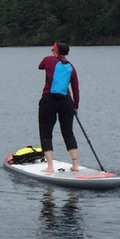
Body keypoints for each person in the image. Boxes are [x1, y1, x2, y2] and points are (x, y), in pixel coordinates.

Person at [37, 41, 80, 173]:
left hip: (49, 99)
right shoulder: (71, 67)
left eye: (53, 49)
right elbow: (76, 89)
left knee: (46, 132)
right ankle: (75, 165)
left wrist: (52, 57)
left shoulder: (49, 60)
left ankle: (50, 166)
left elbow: (40, 66)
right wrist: (75, 106)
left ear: (56, 51)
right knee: (68, 132)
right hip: (66, 101)